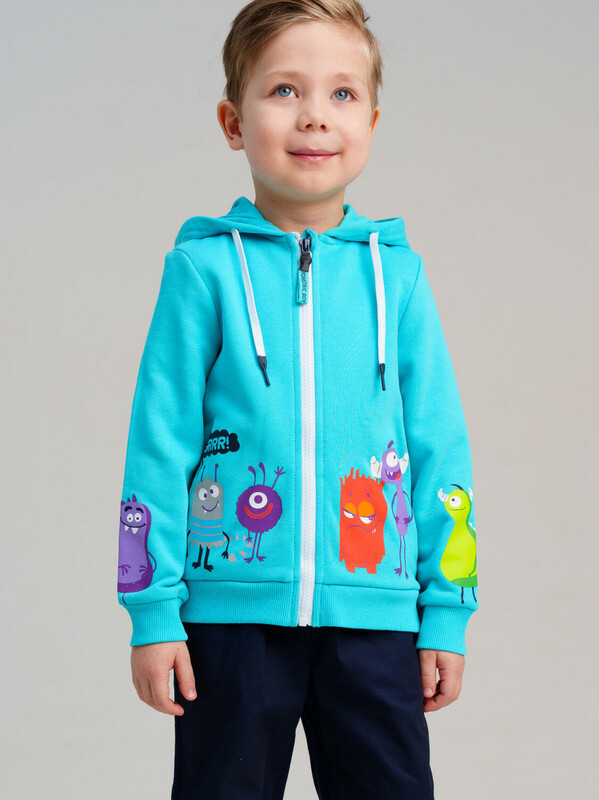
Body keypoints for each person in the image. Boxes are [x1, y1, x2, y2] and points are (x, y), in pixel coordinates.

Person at [116, 1, 479, 797]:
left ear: (370, 124)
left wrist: (447, 612)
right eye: (284, 89)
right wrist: (152, 614)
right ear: (233, 122)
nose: (314, 114)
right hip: (228, 620)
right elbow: (159, 445)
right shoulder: (201, 270)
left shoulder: (398, 276)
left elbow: (438, 448)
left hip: (376, 615)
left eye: (341, 94)